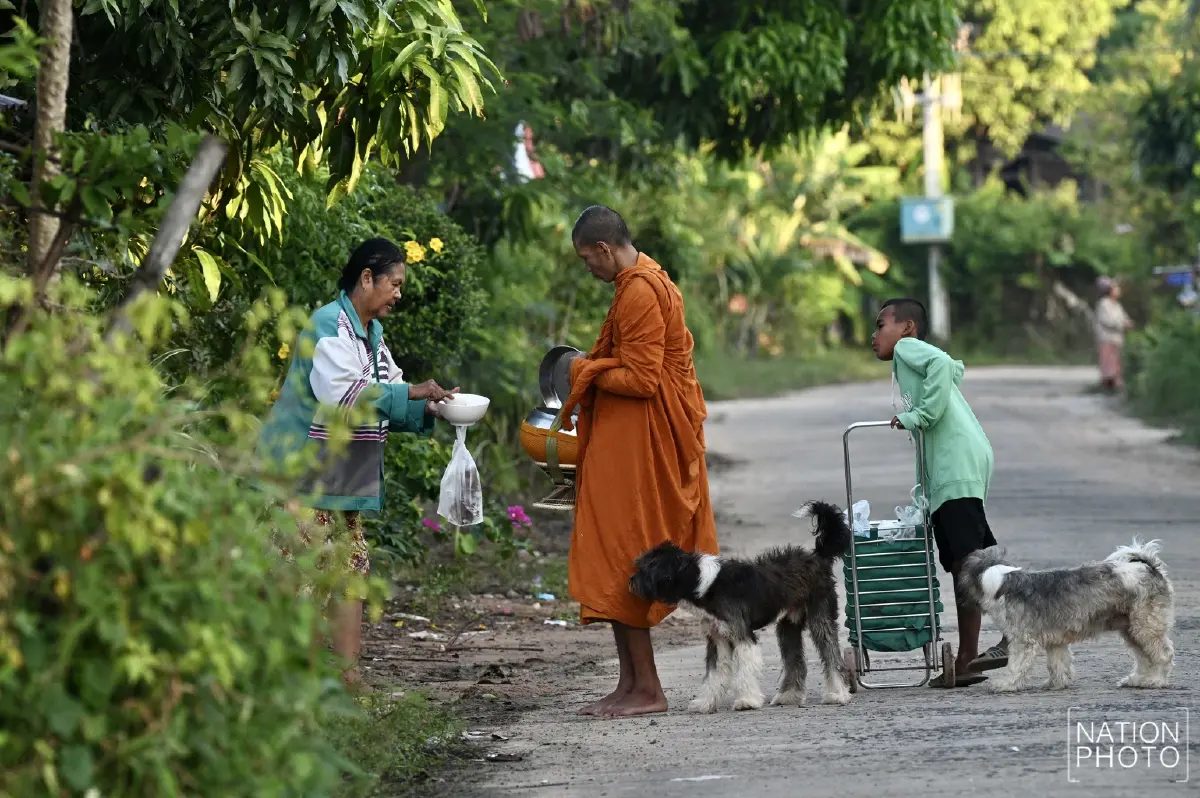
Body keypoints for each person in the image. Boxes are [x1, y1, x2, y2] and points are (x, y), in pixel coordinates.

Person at [258, 238, 457, 689]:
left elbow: (390, 394)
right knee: (306, 574)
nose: (398, 294)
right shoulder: (329, 325)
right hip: (304, 475)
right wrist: (413, 393)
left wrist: (433, 405)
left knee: (351, 570)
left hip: (339, 479)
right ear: (366, 278)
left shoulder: (371, 334)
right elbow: (344, 396)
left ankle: (347, 677)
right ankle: (303, 683)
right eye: (395, 283)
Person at [559, 205, 719, 717]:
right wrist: (596, 368)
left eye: (587, 258)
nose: (589, 267)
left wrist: (584, 370)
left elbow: (644, 379)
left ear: (604, 248)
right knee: (614, 551)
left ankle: (648, 689)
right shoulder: (638, 283)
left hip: (641, 445)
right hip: (626, 441)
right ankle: (629, 684)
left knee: (626, 552)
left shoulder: (641, 291)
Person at [870, 297, 1008, 686]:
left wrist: (920, 415)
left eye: (881, 325)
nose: (873, 335)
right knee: (969, 563)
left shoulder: (908, 349)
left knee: (968, 564)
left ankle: (1013, 634)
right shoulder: (904, 362)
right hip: (953, 466)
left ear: (906, 328)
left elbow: (944, 364)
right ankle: (969, 658)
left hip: (956, 464)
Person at [1094, 277, 1134, 392]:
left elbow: (1123, 317)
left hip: (1117, 339)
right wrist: (1122, 324)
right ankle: (1108, 386)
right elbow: (1107, 321)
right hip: (1107, 338)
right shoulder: (1104, 304)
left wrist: (1128, 322)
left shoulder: (1117, 305)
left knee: (1117, 363)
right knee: (1108, 364)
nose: (1118, 290)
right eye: (1116, 288)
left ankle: (1116, 386)